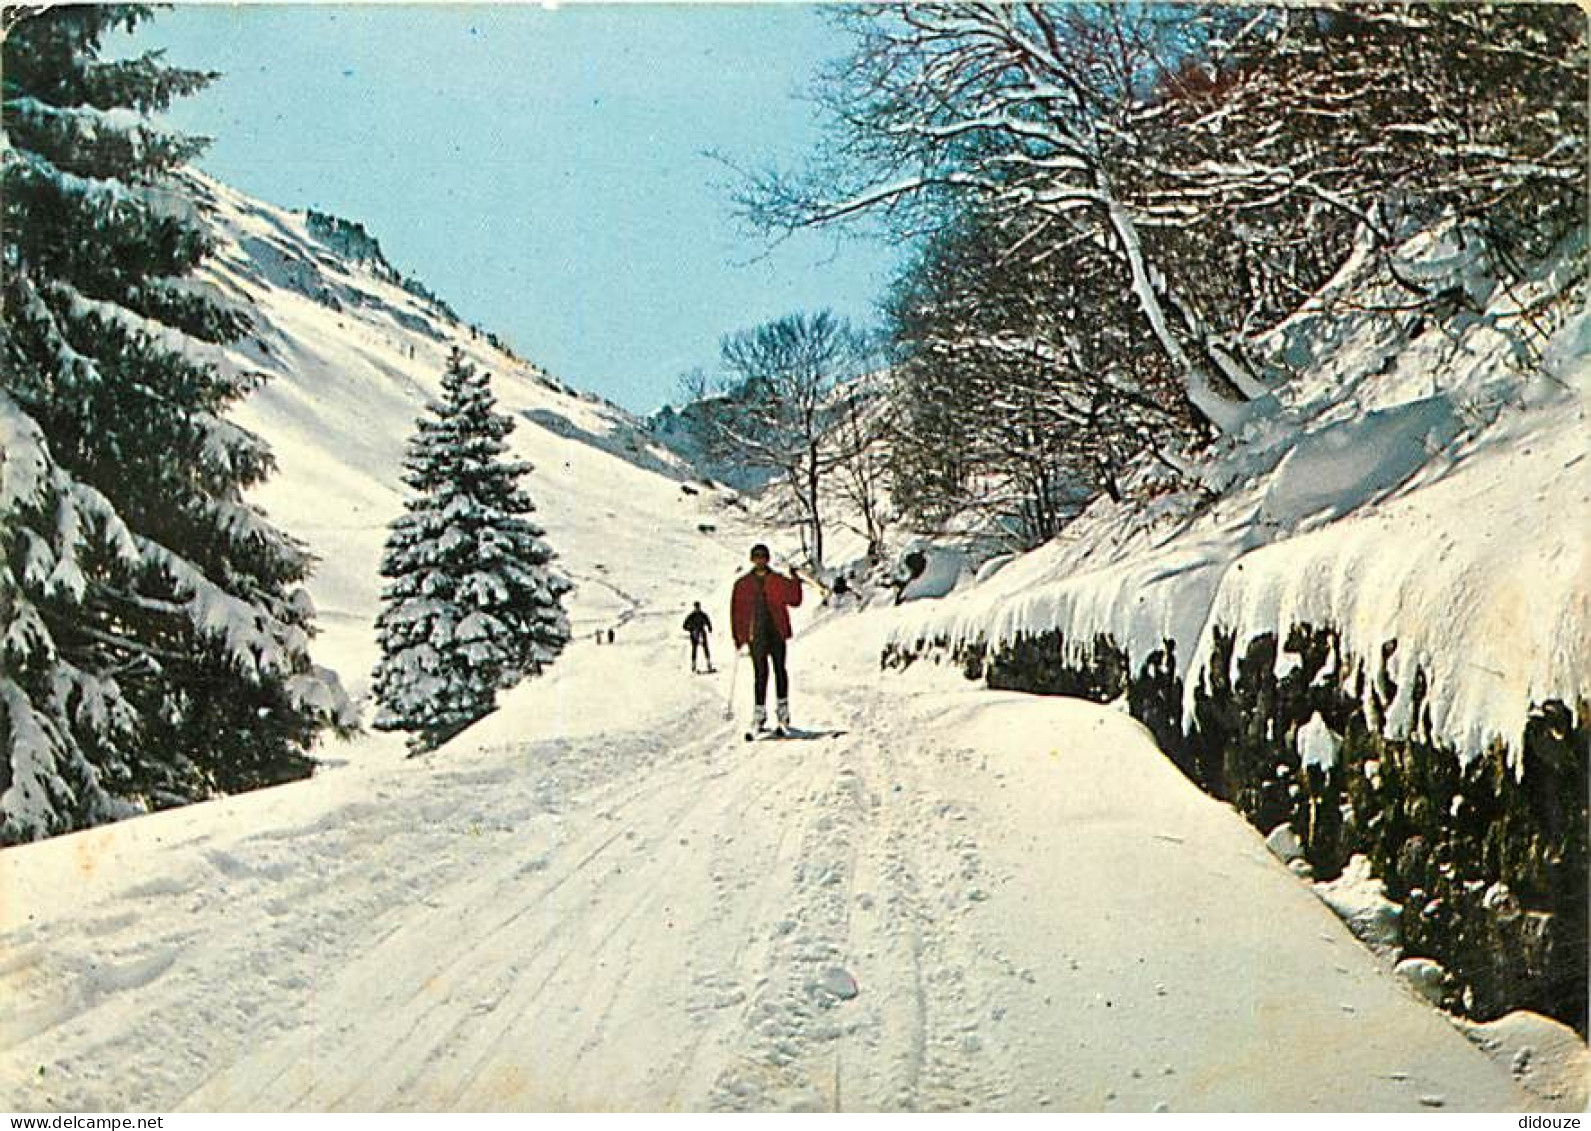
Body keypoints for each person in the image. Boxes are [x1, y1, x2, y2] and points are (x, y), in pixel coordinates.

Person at [730, 543, 803, 734]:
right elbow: (737, 612)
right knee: (760, 675)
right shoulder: (743, 584)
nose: (760, 560)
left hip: (776, 632)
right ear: (752, 559)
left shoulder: (777, 580)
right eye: (757, 557)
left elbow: (795, 599)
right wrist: (739, 637)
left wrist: (795, 579)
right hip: (757, 635)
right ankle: (759, 714)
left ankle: (783, 712)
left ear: (767, 559)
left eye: (763, 556)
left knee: (780, 670)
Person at [683, 601, 714, 674]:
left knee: (705, 648)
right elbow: (684, 626)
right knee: (694, 649)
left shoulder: (702, 615)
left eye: (698, 607)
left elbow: (708, 622)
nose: (697, 608)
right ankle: (694, 665)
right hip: (694, 634)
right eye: (696, 607)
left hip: (701, 632)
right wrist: (691, 630)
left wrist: (709, 628)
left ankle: (708, 664)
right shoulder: (691, 616)